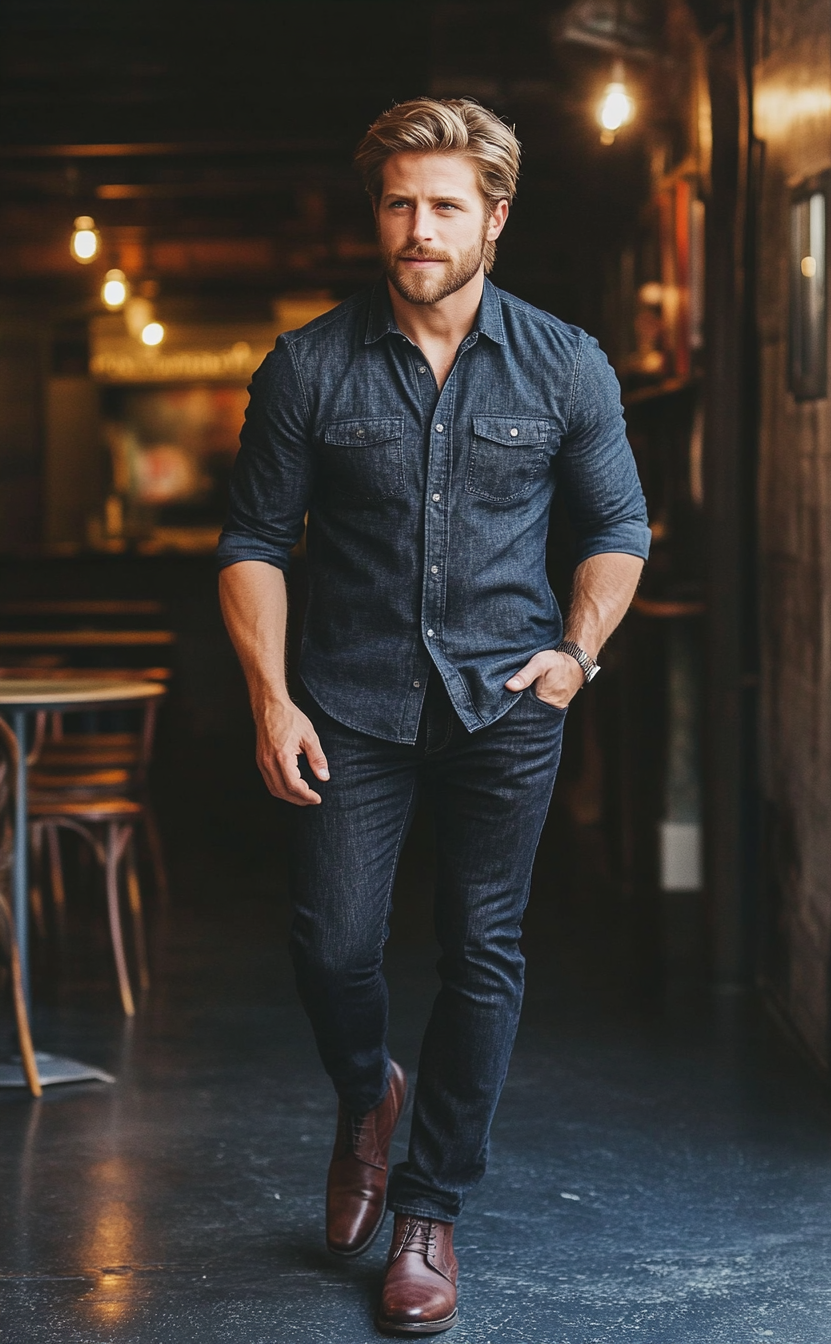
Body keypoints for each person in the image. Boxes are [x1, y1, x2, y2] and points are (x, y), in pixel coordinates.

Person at [217, 97, 649, 1336]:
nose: (419, 228)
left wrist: (575, 652)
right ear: (379, 215)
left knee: (483, 949)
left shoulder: (563, 361)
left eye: (445, 205)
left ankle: (428, 1212)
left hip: (504, 702)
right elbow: (253, 540)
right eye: (399, 204)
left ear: (493, 221)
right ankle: (368, 1091)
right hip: (345, 704)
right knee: (334, 942)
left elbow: (616, 530)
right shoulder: (308, 364)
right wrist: (270, 696)